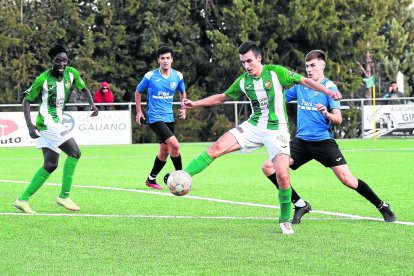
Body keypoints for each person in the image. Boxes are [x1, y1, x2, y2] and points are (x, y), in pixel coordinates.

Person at [165, 41, 341, 234]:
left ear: (259, 58)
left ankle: (284, 220)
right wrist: (195, 104)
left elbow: (305, 81)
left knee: (282, 175)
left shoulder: (276, 72)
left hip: (277, 129)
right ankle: (184, 176)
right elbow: (223, 97)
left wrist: (328, 91)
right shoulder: (243, 81)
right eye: (243, 62)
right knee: (215, 149)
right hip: (254, 125)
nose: (247, 66)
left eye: (249, 61)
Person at [261, 50, 396, 224]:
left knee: (349, 180)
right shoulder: (300, 86)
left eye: (313, 65)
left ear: (322, 65)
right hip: (301, 142)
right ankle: (300, 204)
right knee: (268, 167)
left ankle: (382, 206)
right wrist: (269, 87)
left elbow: (338, 119)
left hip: (323, 142)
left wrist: (326, 113)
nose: (309, 69)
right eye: (307, 66)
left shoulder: (330, 88)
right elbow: (278, 99)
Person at [14, 44, 99, 214]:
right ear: (51, 61)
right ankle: (64, 196)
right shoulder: (43, 79)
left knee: (51, 164)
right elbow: (26, 100)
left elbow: (84, 88)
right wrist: (30, 126)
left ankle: (22, 200)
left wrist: (92, 104)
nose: (62, 64)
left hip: (56, 121)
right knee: (75, 153)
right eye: (58, 61)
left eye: (64, 61)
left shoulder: (71, 73)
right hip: (47, 122)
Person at [135, 45, 187, 190]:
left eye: (168, 58)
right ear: (158, 60)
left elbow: (183, 92)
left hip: (169, 117)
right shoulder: (150, 76)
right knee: (175, 145)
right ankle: (181, 178)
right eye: (162, 58)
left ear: (172, 60)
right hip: (154, 117)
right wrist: (139, 112)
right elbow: (138, 92)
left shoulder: (178, 76)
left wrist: (183, 108)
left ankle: (151, 179)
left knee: (165, 151)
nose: (165, 61)